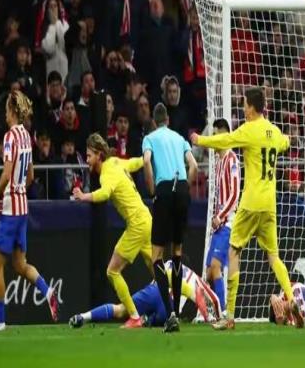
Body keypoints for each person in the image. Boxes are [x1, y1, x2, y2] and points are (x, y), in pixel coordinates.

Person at [190, 87, 296, 330]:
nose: (243, 109)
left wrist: (200, 140)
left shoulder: (249, 130)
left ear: (252, 107)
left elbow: (225, 140)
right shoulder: (274, 131)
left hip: (250, 204)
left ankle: (229, 316)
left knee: (233, 252)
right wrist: (287, 140)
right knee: (274, 257)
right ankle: (291, 299)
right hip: (270, 205)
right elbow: (285, 142)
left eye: (245, 105)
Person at [0, 91, 59, 331]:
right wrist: (19, 191)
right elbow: (31, 176)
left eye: (6, 110)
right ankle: (48, 291)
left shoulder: (10, 137)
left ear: (12, 111)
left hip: (9, 210)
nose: (5, 115)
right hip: (23, 207)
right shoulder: (27, 135)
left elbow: (7, 174)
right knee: (19, 264)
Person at [72, 133, 153, 329]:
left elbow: (105, 193)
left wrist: (83, 196)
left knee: (112, 271)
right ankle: (192, 294)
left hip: (137, 224)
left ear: (99, 155)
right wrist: (146, 157)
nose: (87, 160)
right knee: (158, 271)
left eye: (89, 156)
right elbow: (134, 163)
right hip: (146, 218)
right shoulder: (116, 162)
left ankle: (134, 317)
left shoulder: (107, 172)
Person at [142, 103, 198, 332]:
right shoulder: (179, 138)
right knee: (176, 252)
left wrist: (152, 189)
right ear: (168, 120)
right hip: (182, 189)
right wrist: (186, 188)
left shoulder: (150, 138)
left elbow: (146, 161)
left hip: (164, 190)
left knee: (156, 255)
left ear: (154, 122)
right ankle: (175, 310)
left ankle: (170, 314)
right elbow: (193, 165)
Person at [69, 260, 221, 328]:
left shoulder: (168, 264)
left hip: (154, 291)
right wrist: (212, 318)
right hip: (166, 309)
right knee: (166, 317)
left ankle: (83, 316)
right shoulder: (194, 279)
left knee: (121, 309)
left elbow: (159, 279)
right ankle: (147, 320)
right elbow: (203, 297)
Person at [204, 119, 240, 314]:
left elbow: (234, 194)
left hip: (228, 223)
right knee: (209, 272)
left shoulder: (232, 159)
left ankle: (223, 312)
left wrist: (220, 216)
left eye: (215, 134)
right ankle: (214, 310)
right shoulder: (218, 163)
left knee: (216, 266)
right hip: (218, 225)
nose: (213, 139)